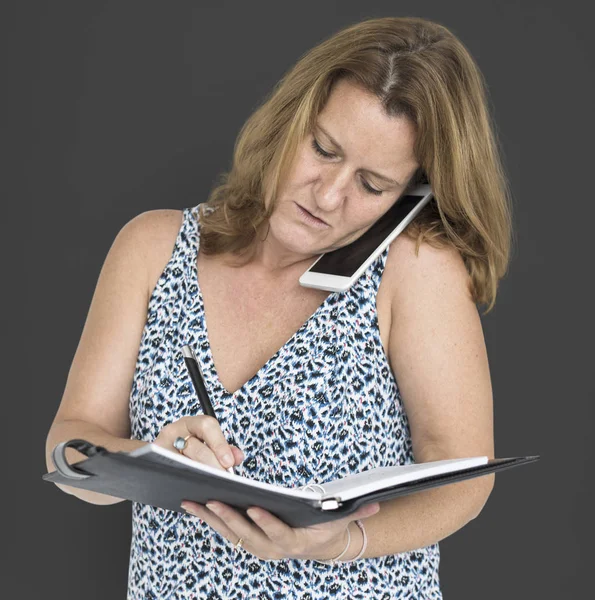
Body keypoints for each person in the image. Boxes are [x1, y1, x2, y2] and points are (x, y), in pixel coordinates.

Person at [45, 15, 512, 599]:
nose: (329, 195)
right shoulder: (152, 248)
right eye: (322, 149)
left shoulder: (413, 271)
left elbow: (463, 478)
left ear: (410, 196)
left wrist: (340, 543)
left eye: (372, 185)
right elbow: (68, 447)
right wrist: (143, 460)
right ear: (289, 120)